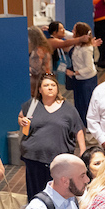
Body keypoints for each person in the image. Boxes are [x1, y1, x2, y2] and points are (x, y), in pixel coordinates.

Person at [18, 73, 86, 201]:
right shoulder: (32, 105)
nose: (50, 88)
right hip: (34, 159)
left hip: (59, 162)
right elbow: (21, 116)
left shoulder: (68, 108)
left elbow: (78, 129)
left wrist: (83, 150)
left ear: (57, 88)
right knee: (35, 196)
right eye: (46, 85)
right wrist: (21, 120)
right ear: (40, 89)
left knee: (59, 195)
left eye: (53, 85)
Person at [69, 22, 98, 125]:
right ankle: (82, 129)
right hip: (79, 80)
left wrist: (74, 73)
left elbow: (89, 68)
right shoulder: (78, 45)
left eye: (74, 30)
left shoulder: (86, 49)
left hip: (87, 81)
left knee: (87, 105)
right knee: (79, 105)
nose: (72, 32)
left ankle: (91, 129)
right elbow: (67, 35)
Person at [27, 26, 53, 97]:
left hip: (37, 83)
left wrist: (26, 68)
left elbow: (36, 70)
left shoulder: (37, 51)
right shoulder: (45, 48)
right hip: (46, 78)